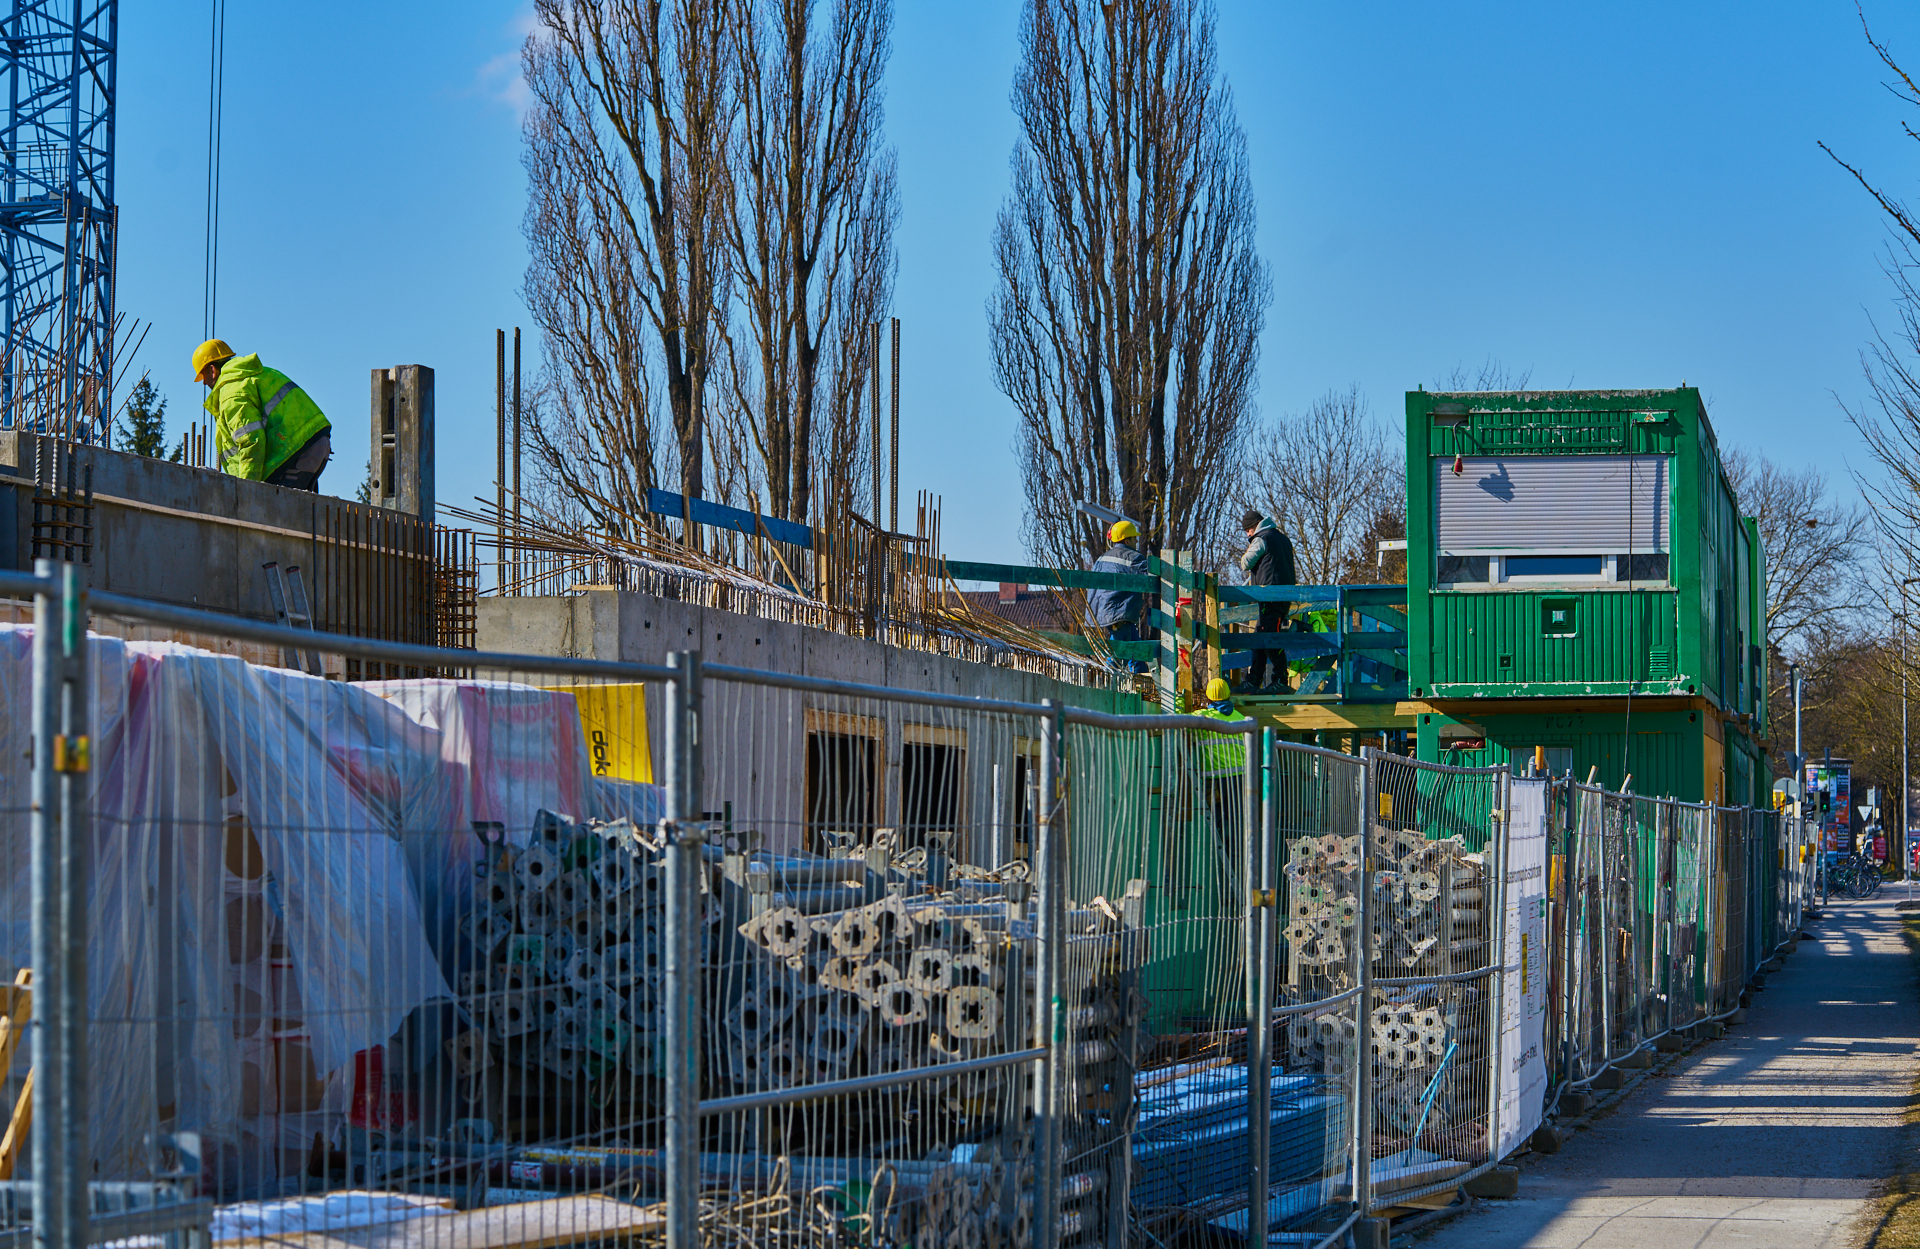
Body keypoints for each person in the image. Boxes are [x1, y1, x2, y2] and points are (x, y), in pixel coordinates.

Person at [193, 339, 333, 491]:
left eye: (203, 376)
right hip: (310, 442)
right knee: (300, 509)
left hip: (293, 451)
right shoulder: (258, 374)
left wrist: (246, 489)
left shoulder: (231, 392)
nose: (204, 383)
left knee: (276, 509)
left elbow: (251, 441)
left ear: (212, 370)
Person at [1238, 509, 1297, 693]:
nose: (1248, 534)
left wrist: (1250, 546)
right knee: (1261, 636)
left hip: (1269, 596)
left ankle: (1279, 679)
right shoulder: (1283, 539)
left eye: (1248, 530)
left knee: (1268, 636)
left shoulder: (1262, 538)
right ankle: (1254, 680)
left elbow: (1245, 563)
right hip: (1283, 595)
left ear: (1255, 526)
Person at [1198, 677, 1253, 857]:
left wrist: (1179, 701)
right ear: (1229, 695)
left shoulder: (1203, 718)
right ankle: (1239, 851)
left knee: (1214, 817)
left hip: (1213, 777)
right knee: (1237, 816)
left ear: (1207, 697)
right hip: (1239, 774)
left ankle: (1217, 851)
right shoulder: (1240, 717)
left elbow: (1175, 718)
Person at [1086, 519, 1150, 672]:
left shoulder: (1102, 558)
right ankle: (1103, 679)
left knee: (1135, 651)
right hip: (1118, 612)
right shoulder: (1133, 557)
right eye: (1134, 538)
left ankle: (1141, 683)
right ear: (1127, 540)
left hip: (1100, 610)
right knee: (1117, 653)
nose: (1136, 542)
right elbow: (1152, 577)